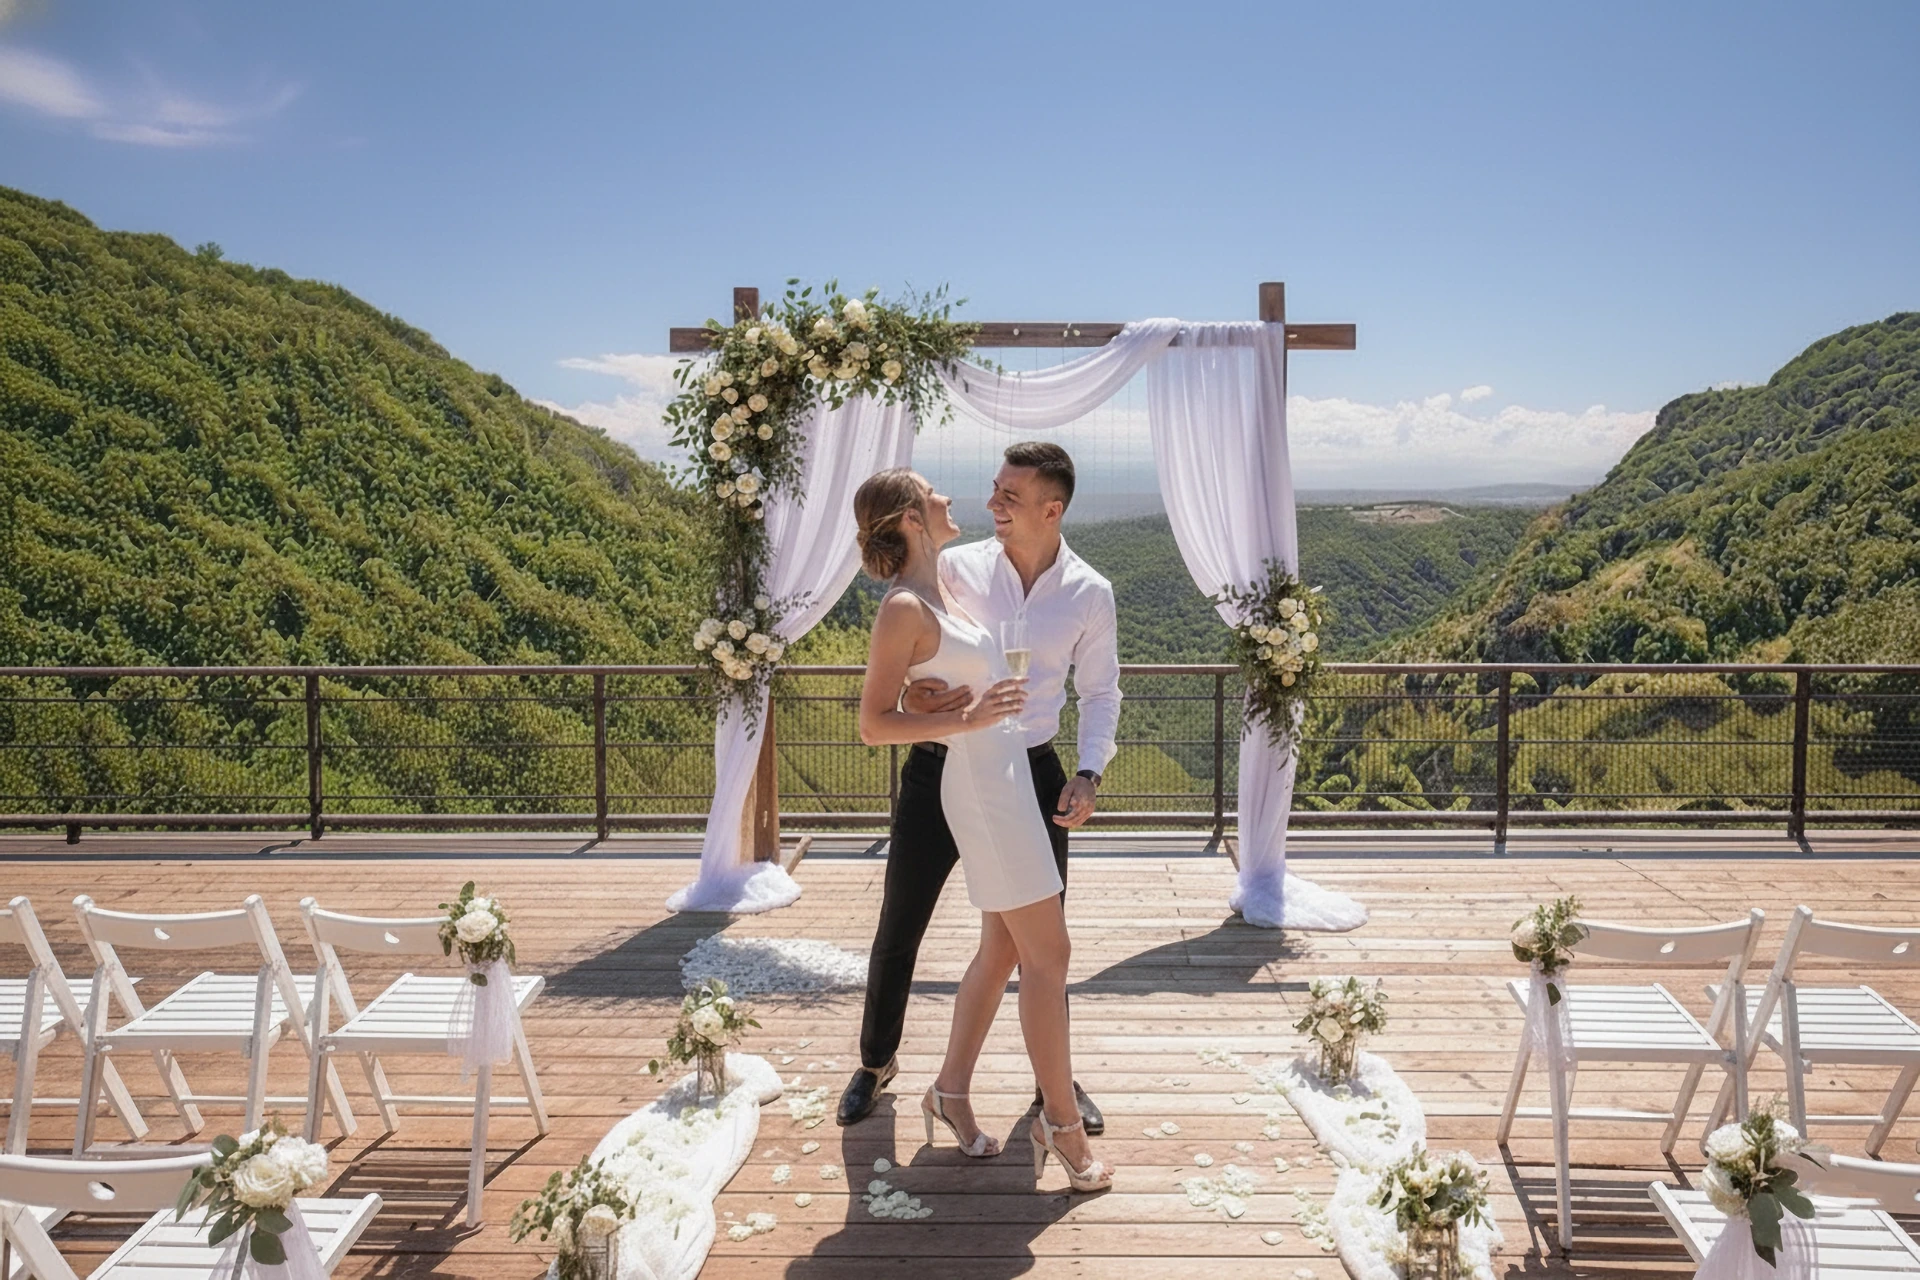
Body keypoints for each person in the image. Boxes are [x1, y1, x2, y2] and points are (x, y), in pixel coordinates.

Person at [848, 466, 1112, 1192]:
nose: (949, 499)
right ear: (909, 517)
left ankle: (950, 1092)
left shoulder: (944, 585)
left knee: (1003, 949)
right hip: (981, 789)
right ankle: (1058, 1121)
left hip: (1012, 778)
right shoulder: (905, 603)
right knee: (1049, 952)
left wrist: (935, 696)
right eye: (932, 494)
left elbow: (935, 674)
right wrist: (956, 717)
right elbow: (874, 723)